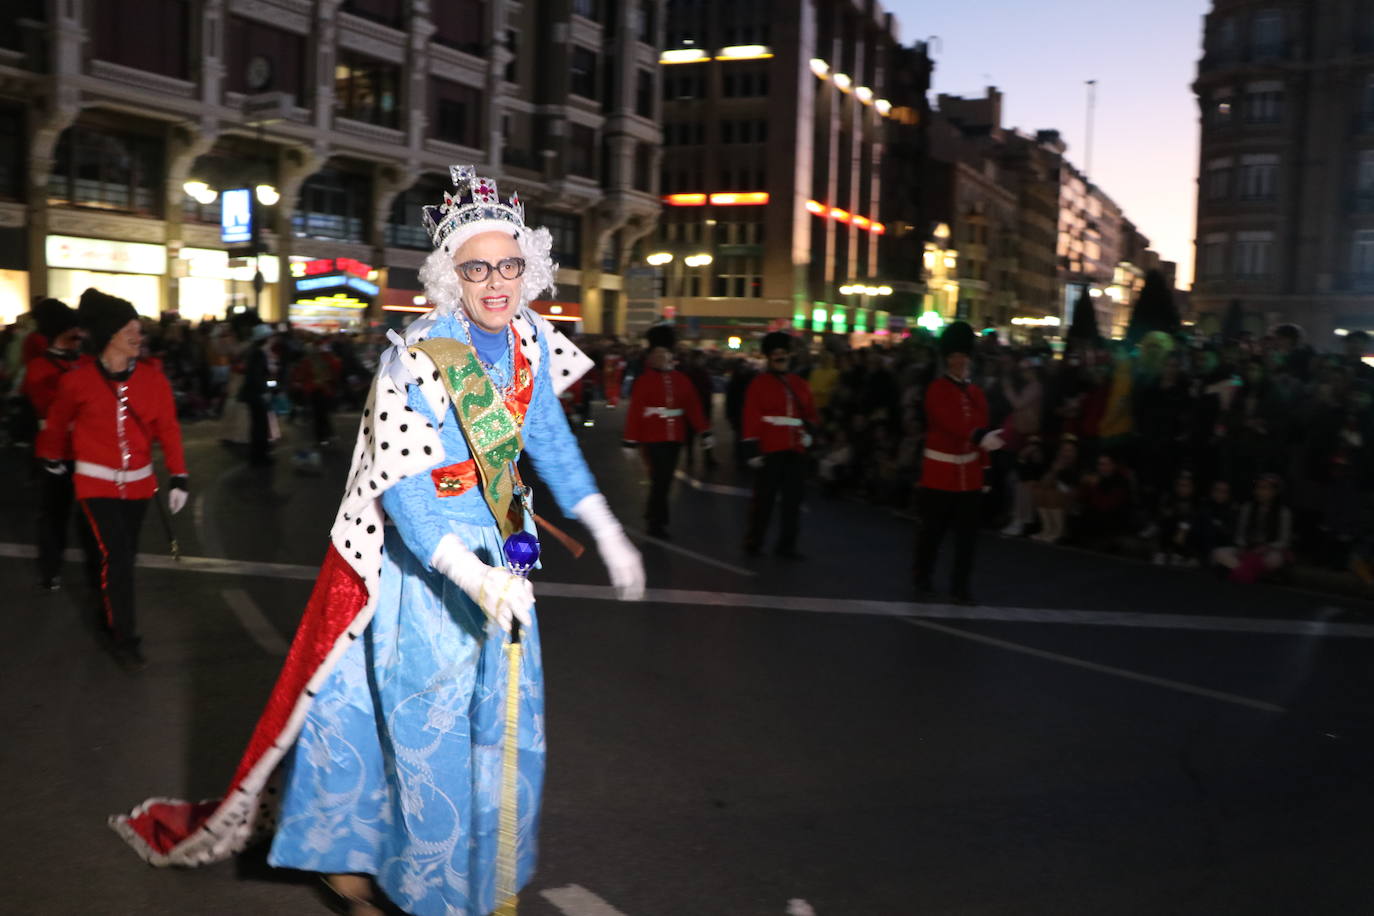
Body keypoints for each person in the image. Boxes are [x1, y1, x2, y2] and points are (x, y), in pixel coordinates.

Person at [110, 165, 646, 916]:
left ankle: (459, 877)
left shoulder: (529, 339)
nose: (497, 281)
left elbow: (549, 443)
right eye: (477, 267)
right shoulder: (417, 357)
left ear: (531, 268)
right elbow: (405, 489)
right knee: (428, 738)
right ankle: (429, 895)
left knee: (500, 733)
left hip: (505, 563)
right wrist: (471, 575)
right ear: (448, 277)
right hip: (433, 577)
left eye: (510, 264)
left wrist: (608, 528)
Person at [36, 289, 188, 670]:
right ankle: (125, 637)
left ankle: (109, 614)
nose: (139, 336)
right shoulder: (78, 381)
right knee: (116, 556)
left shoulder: (154, 380)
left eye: (139, 329)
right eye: (130, 330)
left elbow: (168, 429)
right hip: (95, 485)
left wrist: (179, 475)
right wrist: (51, 456)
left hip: (138, 485)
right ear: (108, 336)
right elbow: (56, 423)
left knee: (121, 557)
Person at [913, 321, 1004, 604]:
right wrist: (977, 435)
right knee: (934, 531)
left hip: (970, 475)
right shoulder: (936, 390)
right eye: (954, 356)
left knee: (967, 538)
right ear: (947, 359)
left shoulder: (976, 393)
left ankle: (960, 585)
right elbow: (948, 421)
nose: (959, 361)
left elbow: (983, 433)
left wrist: (985, 469)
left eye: (963, 355)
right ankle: (923, 575)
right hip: (940, 473)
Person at [22, 298, 94, 590]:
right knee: (54, 513)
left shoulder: (86, 362)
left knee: (91, 514)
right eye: (73, 328)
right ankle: (50, 569)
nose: (79, 332)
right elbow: (48, 409)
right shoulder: (39, 367)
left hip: (88, 449)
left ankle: (95, 572)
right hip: (57, 452)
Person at [622, 325, 710, 539]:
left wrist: (704, 431)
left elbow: (693, 408)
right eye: (658, 354)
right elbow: (635, 412)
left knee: (664, 479)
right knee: (660, 478)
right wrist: (630, 440)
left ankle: (653, 514)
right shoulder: (644, 380)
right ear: (651, 358)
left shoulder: (682, 380)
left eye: (665, 354)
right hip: (651, 437)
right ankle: (657, 521)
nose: (662, 358)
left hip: (675, 437)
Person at [741, 331, 817, 558]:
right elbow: (751, 417)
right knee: (764, 499)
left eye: (783, 353)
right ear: (768, 357)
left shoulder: (800, 384)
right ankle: (755, 540)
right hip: (770, 448)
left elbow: (810, 414)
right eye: (776, 354)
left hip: (795, 448)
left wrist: (809, 433)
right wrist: (752, 449)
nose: (780, 358)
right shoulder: (759, 384)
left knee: (792, 501)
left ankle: (787, 545)